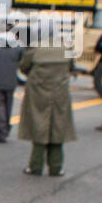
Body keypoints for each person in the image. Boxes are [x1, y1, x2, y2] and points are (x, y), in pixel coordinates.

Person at [17, 42, 77, 176]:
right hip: (60, 92)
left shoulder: (35, 49)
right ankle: (56, 167)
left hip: (38, 90)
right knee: (58, 126)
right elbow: (71, 67)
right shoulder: (67, 49)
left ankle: (35, 165)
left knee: (39, 125)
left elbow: (24, 67)